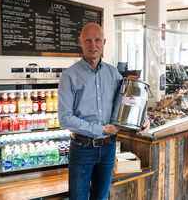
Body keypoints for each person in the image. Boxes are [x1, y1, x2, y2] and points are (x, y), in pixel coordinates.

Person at [58, 23, 150, 200]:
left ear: (104, 42)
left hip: (108, 147)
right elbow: (65, 118)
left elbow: (127, 101)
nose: (93, 45)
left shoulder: (113, 73)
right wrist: (100, 129)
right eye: (88, 40)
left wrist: (143, 119)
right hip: (82, 148)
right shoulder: (69, 75)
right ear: (80, 43)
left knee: (101, 198)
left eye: (97, 40)